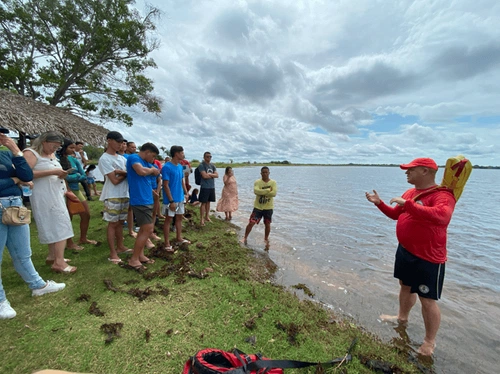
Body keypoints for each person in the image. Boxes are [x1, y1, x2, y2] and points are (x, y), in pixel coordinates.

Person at [365, 157, 456, 356]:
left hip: (429, 257)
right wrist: (379, 204)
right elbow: (396, 214)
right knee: (404, 287)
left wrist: (409, 205)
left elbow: (442, 216)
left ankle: (429, 342)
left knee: (427, 299)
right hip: (406, 251)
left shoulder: (443, 195)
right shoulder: (410, 193)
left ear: (425, 171)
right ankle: (402, 318)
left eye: (410, 170)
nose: (406, 173)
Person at [0, 129, 66, 319]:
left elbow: (26, 175)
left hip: (14, 205)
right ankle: (1, 300)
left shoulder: (5, 154)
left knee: (23, 252)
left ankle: (38, 285)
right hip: (5, 203)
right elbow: (18, 179)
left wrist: (16, 151)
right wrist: (13, 180)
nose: (3, 138)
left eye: (5, 135)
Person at [23, 131, 77, 273]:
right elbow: (25, 174)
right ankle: (59, 262)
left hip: (56, 192)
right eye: (53, 146)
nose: (55, 149)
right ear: (44, 141)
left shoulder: (51, 155)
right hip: (44, 195)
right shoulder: (31, 153)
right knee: (60, 224)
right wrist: (52, 172)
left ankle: (53, 255)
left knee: (54, 223)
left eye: (58, 147)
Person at [98, 131, 132, 264]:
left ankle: (120, 246)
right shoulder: (104, 159)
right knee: (112, 224)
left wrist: (119, 172)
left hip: (124, 193)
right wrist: (124, 174)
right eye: (117, 142)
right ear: (109, 141)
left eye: (121, 142)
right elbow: (114, 180)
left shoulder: (122, 159)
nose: (120, 145)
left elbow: (127, 175)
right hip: (112, 194)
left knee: (120, 222)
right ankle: (112, 253)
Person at [126, 142, 161, 270]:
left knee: (143, 229)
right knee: (148, 229)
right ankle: (134, 259)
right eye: (152, 156)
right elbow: (140, 171)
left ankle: (139, 255)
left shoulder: (146, 162)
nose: (153, 160)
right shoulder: (134, 158)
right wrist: (152, 170)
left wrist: (152, 169)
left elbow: (156, 172)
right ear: (146, 152)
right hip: (140, 200)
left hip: (147, 199)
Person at [58, 138, 97, 249]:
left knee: (86, 214)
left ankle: (83, 238)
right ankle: (69, 243)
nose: (73, 150)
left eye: (73, 148)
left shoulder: (73, 159)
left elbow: (83, 174)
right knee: (68, 217)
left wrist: (73, 177)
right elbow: (63, 176)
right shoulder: (57, 159)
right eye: (70, 148)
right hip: (65, 191)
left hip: (76, 189)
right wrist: (76, 177)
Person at [161, 145, 190, 252]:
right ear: (176, 153)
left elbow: (182, 181)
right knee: (168, 219)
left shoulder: (180, 166)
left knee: (179, 218)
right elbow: (165, 185)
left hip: (180, 197)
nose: (183, 154)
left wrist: (186, 193)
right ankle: (167, 243)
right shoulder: (166, 167)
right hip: (170, 199)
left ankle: (179, 238)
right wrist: (171, 201)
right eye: (182, 152)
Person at [241, 166, 277, 250]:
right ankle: (245, 237)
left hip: (268, 207)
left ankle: (266, 239)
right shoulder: (257, 182)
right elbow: (256, 191)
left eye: (266, 172)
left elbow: (274, 193)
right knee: (251, 223)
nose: (265, 174)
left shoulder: (273, 183)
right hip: (258, 207)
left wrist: (262, 193)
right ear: (261, 173)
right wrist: (268, 191)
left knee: (267, 224)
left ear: (269, 173)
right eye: (263, 172)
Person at [197, 151, 218, 226]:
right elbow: (204, 176)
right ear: (204, 157)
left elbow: (217, 175)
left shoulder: (212, 166)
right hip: (204, 187)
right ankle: (202, 219)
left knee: (209, 202)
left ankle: (207, 217)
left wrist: (209, 174)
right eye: (207, 156)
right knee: (203, 203)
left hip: (211, 186)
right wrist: (212, 175)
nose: (209, 158)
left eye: (210, 156)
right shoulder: (202, 165)